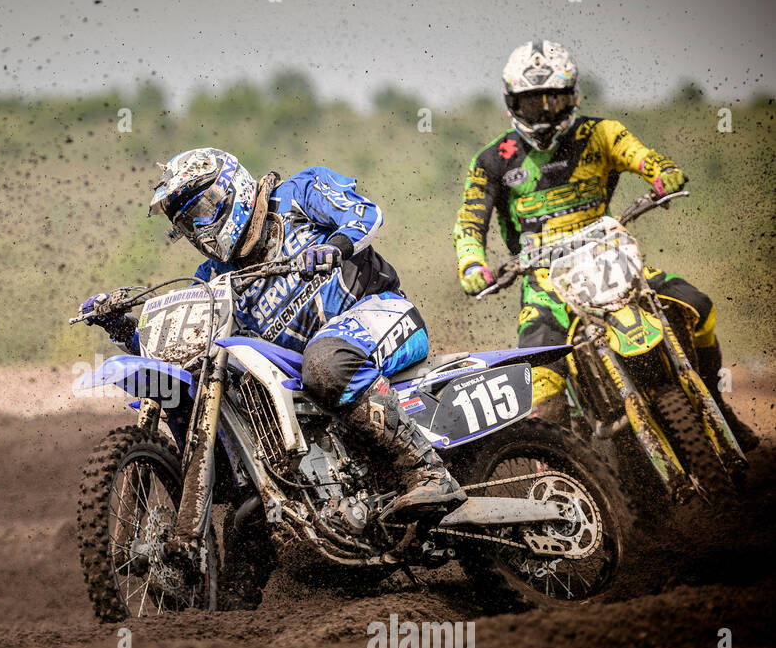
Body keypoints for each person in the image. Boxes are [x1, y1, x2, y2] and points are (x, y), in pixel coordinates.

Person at [82, 147, 466, 517]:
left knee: (327, 362)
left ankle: (429, 471)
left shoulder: (298, 194)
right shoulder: (214, 278)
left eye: (201, 210)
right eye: (186, 223)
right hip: (304, 372)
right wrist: (124, 329)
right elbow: (185, 349)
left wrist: (333, 247)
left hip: (380, 313)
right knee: (227, 395)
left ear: (229, 188)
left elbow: (366, 214)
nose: (199, 228)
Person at [454, 39, 758, 449]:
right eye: (531, 104)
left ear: (573, 97)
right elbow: (470, 222)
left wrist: (662, 171)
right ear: (511, 103)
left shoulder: (600, 134)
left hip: (610, 257)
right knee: (540, 385)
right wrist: (472, 265)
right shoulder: (492, 160)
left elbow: (641, 156)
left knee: (697, 306)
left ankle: (718, 406)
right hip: (544, 282)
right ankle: (573, 473)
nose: (543, 114)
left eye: (554, 102)